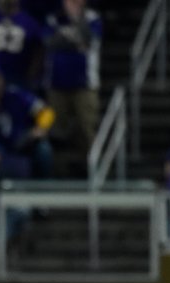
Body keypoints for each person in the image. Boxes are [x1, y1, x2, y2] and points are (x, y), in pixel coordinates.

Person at [43, 0, 103, 176]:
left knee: (88, 128)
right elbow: (50, 43)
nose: (74, 3)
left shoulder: (92, 18)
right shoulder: (54, 18)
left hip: (86, 84)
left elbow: (90, 40)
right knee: (55, 130)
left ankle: (94, 171)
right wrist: (74, 42)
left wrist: (68, 35)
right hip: (56, 83)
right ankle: (56, 172)